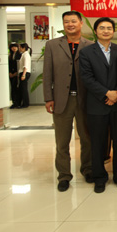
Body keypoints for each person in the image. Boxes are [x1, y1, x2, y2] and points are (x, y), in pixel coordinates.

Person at [43, 11, 94, 192]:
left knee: (87, 138)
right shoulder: (52, 45)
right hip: (61, 100)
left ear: (81, 23)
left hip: (84, 99)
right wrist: (48, 97)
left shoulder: (90, 45)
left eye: (73, 21)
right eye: (66, 22)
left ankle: (88, 169)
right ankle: (64, 175)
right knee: (62, 141)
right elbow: (47, 73)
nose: (70, 24)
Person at [79, 17, 117, 193]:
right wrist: (106, 93)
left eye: (109, 28)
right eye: (102, 28)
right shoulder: (86, 52)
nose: (106, 31)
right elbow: (86, 78)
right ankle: (99, 177)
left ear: (113, 31)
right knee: (97, 143)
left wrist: (116, 94)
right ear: (96, 31)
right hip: (97, 104)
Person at [17, 43, 32, 108]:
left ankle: (25, 103)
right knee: (21, 88)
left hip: (25, 73)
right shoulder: (23, 54)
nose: (19, 49)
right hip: (23, 72)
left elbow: (25, 66)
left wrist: (23, 75)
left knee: (24, 89)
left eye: (20, 47)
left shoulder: (26, 55)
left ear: (23, 48)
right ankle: (21, 103)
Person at [8, 43, 22, 109]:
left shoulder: (20, 55)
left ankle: (18, 102)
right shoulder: (10, 55)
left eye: (15, 47)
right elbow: (9, 65)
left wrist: (16, 73)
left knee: (17, 88)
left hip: (17, 74)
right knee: (12, 88)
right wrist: (10, 73)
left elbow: (19, 65)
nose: (14, 48)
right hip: (11, 74)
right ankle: (14, 102)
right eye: (12, 47)